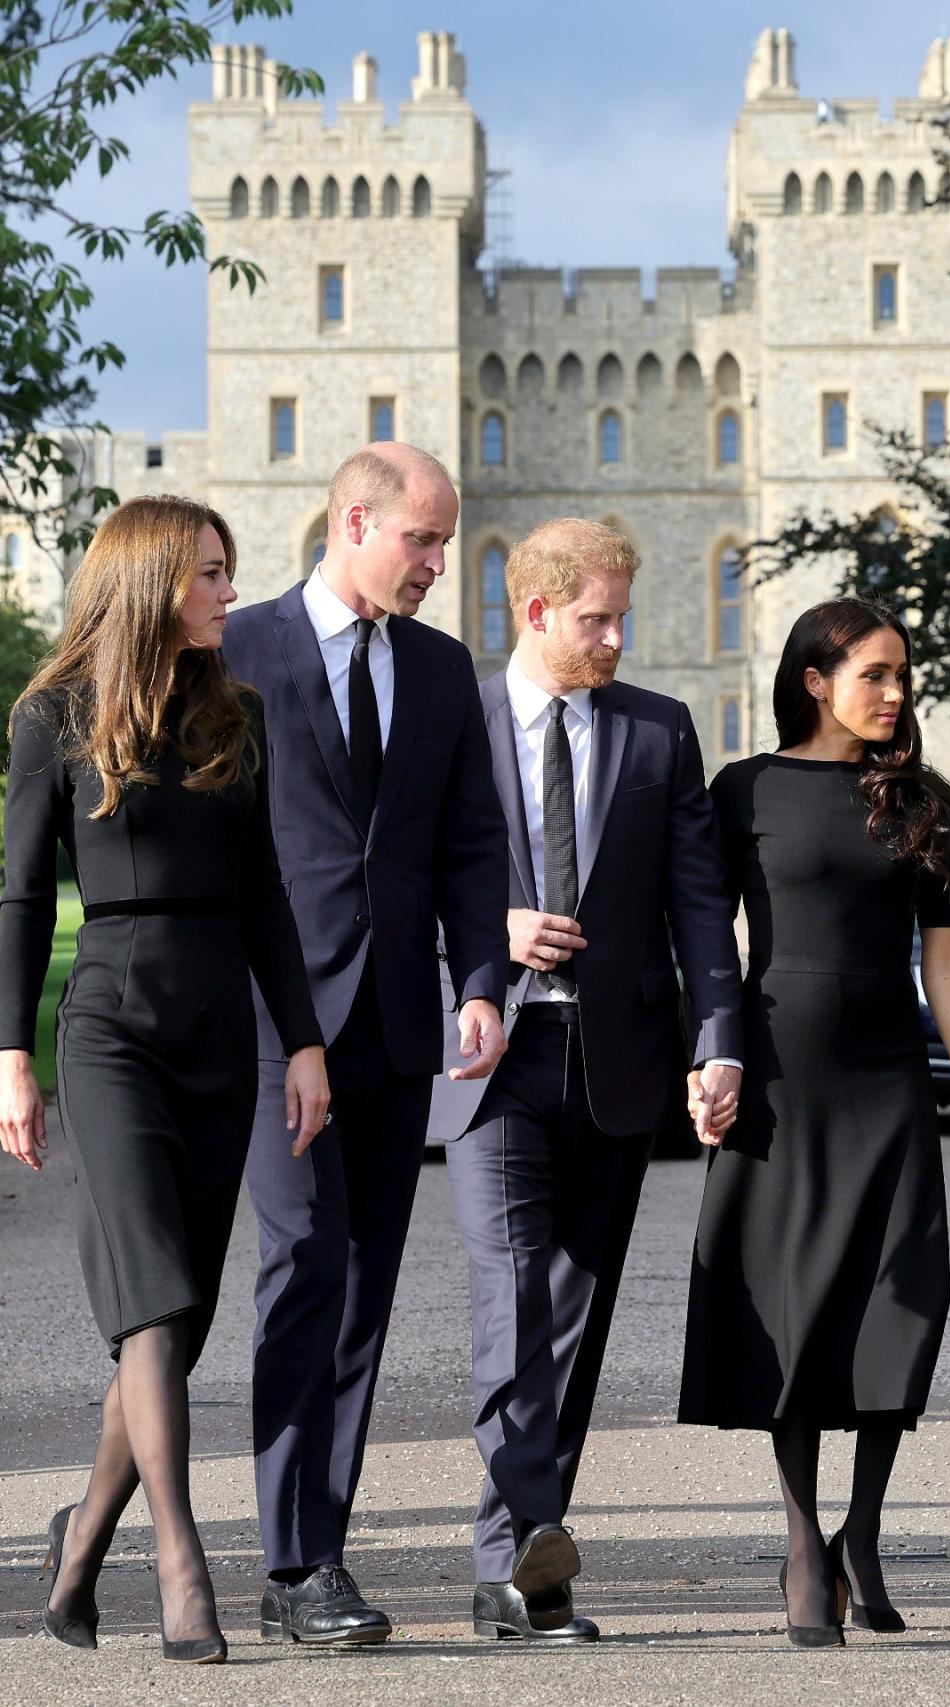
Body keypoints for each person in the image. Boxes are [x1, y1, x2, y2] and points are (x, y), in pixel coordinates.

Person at [0, 496, 329, 1665]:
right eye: (209, 574)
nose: (228, 593)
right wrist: (13, 1064)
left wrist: (301, 1042)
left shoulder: (237, 712)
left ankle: (78, 1557)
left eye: (230, 573)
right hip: (111, 1035)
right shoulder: (54, 716)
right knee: (150, 1298)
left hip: (216, 1039)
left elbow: (267, 894)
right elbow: (23, 901)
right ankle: (182, 1565)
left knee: (173, 1321)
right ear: (148, 579)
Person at [429, 518, 743, 1642]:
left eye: (622, 617)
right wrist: (486, 930)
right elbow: (387, 880)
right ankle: (522, 1551)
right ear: (534, 613)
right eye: (596, 619)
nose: (617, 638)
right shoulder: (451, 718)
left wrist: (720, 1038)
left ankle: (522, 1561)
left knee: (576, 1317)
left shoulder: (659, 732)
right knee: (511, 1293)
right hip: (492, 1054)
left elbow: (699, 904)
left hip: (618, 1063)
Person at [220, 441, 509, 1647]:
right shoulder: (237, 653)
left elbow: (470, 845)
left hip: (398, 1029)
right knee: (302, 1270)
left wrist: (482, 981)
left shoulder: (442, 673)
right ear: (353, 522)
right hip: (272, 1025)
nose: (441, 564)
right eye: (423, 540)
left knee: (363, 1292)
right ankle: (291, 1562)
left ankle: (316, 1554)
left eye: (445, 543)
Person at [679, 597, 950, 1647]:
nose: (894, 694)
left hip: (889, 1075)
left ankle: (864, 1532)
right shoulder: (744, 789)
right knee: (795, 1311)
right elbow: (705, 931)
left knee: (900, 1308)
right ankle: (804, 1540)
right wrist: (712, 1054)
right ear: (815, 679)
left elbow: (948, 961)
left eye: (903, 677)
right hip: (780, 1075)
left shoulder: (924, 799)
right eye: (873, 674)